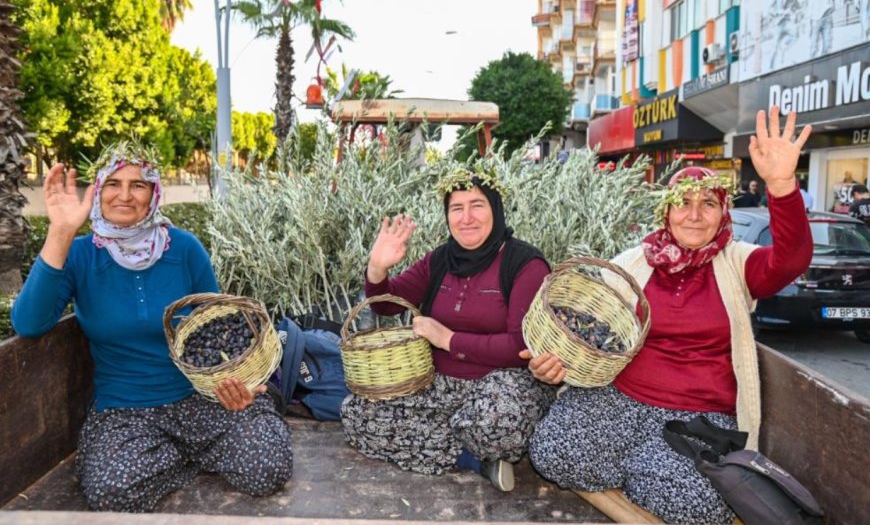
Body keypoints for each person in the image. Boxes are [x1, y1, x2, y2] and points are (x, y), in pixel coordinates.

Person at [525, 107, 814, 524]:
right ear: (666, 212)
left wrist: (782, 185)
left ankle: (641, 474)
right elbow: (594, 335)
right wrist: (552, 361)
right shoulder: (634, 262)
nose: (694, 215)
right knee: (554, 451)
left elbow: (791, 260)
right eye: (683, 204)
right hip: (622, 399)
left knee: (691, 501)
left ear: (723, 213)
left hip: (698, 417)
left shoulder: (738, 263)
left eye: (708, 204)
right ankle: (638, 482)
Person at [11, 141, 293, 512]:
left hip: (200, 401)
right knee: (113, 492)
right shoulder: (79, 254)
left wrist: (236, 384)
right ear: (97, 190)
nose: (124, 195)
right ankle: (186, 454)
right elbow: (29, 323)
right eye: (113, 183)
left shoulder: (184, 249)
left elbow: (219, 329)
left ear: (154, 193)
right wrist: (61, 232)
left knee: (266, 468)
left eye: (138, 185)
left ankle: (175, 454)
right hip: (126, 412)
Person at [340, 168, 553, 491]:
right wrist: (377, 268)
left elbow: (520, 347)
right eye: (457, 208)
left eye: (477, 205)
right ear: (447, 215)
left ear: (495, 208)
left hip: (501, 385)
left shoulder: (524, 264)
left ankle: (446, 439)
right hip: (439, 385)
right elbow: (387, 305)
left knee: (498, 421)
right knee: (357, 414)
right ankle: (472, 458)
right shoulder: (440, 259)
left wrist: (446, 338)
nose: (466, 217)